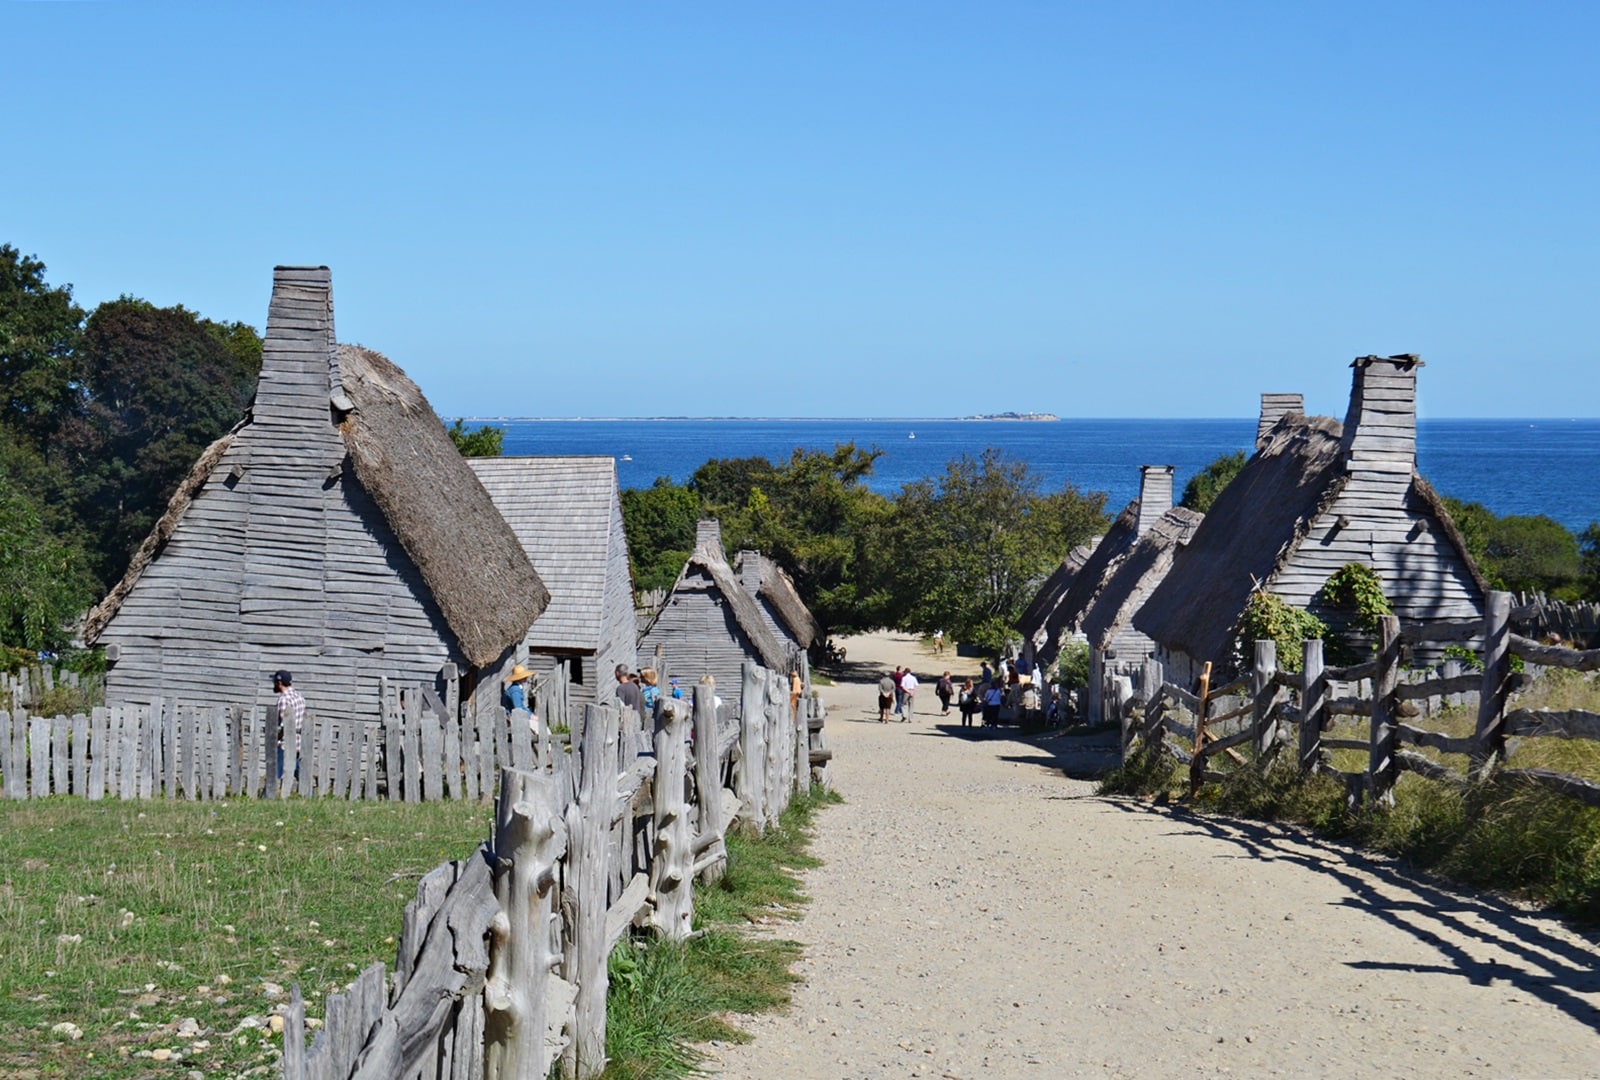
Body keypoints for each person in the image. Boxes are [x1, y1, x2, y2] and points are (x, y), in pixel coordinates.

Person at [272, 670, 306, 780]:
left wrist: (276, 738)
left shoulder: (284, 699)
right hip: (297, 743)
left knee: (275, 773)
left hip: (285, 744)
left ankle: (266, 796)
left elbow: (283, 724)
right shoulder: (300, 697)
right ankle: (312, 795)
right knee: (300, 773)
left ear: (279, 682)